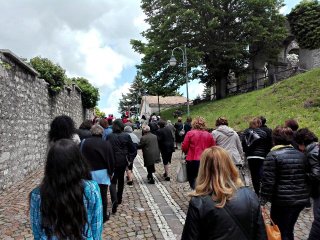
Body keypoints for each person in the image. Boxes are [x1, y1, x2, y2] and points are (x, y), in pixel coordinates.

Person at [182, 146, 267, 240]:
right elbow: (260, 234)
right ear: (229, 165)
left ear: (203, 169)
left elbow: (190, 236)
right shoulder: (250, 195)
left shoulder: (199, 202)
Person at [29, 139, 103, 239]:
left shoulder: (37, 194)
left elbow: (37, 231)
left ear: (50, 165)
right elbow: (96, 226)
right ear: (78, 162)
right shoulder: (91, 189)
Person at [260, 126, 310, 240]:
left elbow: (268, 182)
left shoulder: (272, 155)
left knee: (280, 231)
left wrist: (262, 202)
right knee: (289, 230)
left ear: (274, 139)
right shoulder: (301, 155)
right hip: (300, 200)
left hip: (282, 202)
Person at [81, 124, 115, 223]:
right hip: (102, 174)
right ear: (102, 132)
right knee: (103, 195)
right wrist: (111, 172)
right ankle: (103, 216)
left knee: (87, 194)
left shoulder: (84, 143)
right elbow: (111, 159)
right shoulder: (106, 144)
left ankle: (88, 215)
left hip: (87, 172)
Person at [108, 119, 137, 214]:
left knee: (112, 181)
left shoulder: (110, 136)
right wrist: (130, 159)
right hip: (122, 161)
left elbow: (106, 148)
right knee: (120, 179)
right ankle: (119, 198)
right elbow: (133, 149)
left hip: (112, 160)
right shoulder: (126, 136)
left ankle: (114, 200)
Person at [182, 116, 216, 189]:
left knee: (192, 178)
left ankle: (195, 191)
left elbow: (184, 147)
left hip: (192, 159)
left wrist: (186, 152)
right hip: (205, 159)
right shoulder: (209, 135)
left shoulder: (190, 133)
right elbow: (213, 148)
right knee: (205, 178)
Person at [295, 128, 320, 217]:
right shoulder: (317, 146)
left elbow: (316, 175)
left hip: (318, 191)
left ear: (302, 142)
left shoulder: (312, 153)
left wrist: (302, 175)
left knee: (317, 219)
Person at [241, 117, 269, 196]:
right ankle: (263, 188)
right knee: (260, 172)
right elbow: (265, 145)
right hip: (261, 156)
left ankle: (256, 191)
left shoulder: (246, 132)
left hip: (251, 156)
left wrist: (246, 152)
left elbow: (243, 143)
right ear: (259, 123)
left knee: (253, 174)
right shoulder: (263, 133)